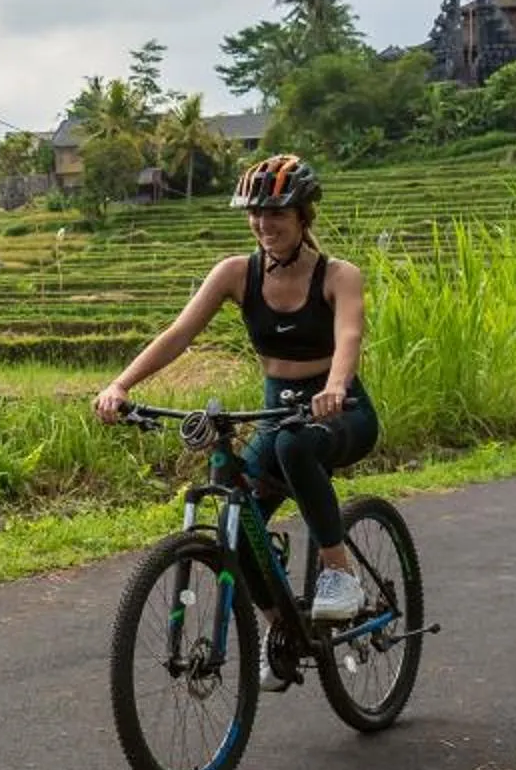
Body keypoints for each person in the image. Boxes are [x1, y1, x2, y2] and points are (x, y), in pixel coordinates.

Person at [95, 154, 379, 686]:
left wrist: (336, 386)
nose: (264, 224)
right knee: (235, 515)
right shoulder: (235, 273)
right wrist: (121, 385)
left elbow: (349, 338)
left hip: (342, 413)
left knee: (295, 446)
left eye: (277, 214)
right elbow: (179, 334)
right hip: (277, 411)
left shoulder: (338, 276)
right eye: (255, 213)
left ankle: (339, 573)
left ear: (304, 215)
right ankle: (283, 632)